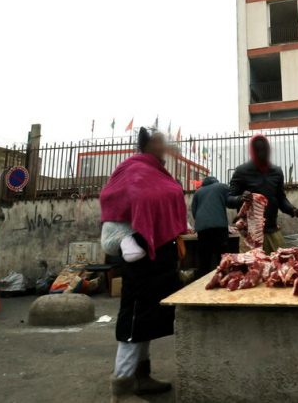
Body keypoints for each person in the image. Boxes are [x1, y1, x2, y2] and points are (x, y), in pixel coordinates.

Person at [100, 128, 187, 403]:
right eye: (159, 141)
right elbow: (113, 203)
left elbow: (168, 201)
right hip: (139, 259)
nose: (165, 146)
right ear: (146, 144)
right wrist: (126, 239)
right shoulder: (132, 169)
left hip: (161, 258)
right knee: (134, 322)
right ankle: (122, 388)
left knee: (148, 320)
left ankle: (142, 377)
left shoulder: (160, 172)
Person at [227, 134, 298, 253]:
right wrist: (241, 199)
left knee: (279, 268)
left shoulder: (276, 172)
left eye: (264, 149)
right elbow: (228, 199)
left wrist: (294, 210)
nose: (261, 153)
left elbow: (281, 199)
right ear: (252, 151)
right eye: (258, 150)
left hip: (272, 232)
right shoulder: (242, 171)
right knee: (251, 270)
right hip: (249, 236)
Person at [191, 176, 230, 273]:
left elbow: (194, 210)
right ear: (216, 181)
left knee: (204, 258)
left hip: (202, 229)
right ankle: (222, 278)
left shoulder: (198, 192)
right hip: (219, 227)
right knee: (222, 257)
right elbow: (230, 201)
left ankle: (203, 282)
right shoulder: (222, 187)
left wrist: (202, 222)